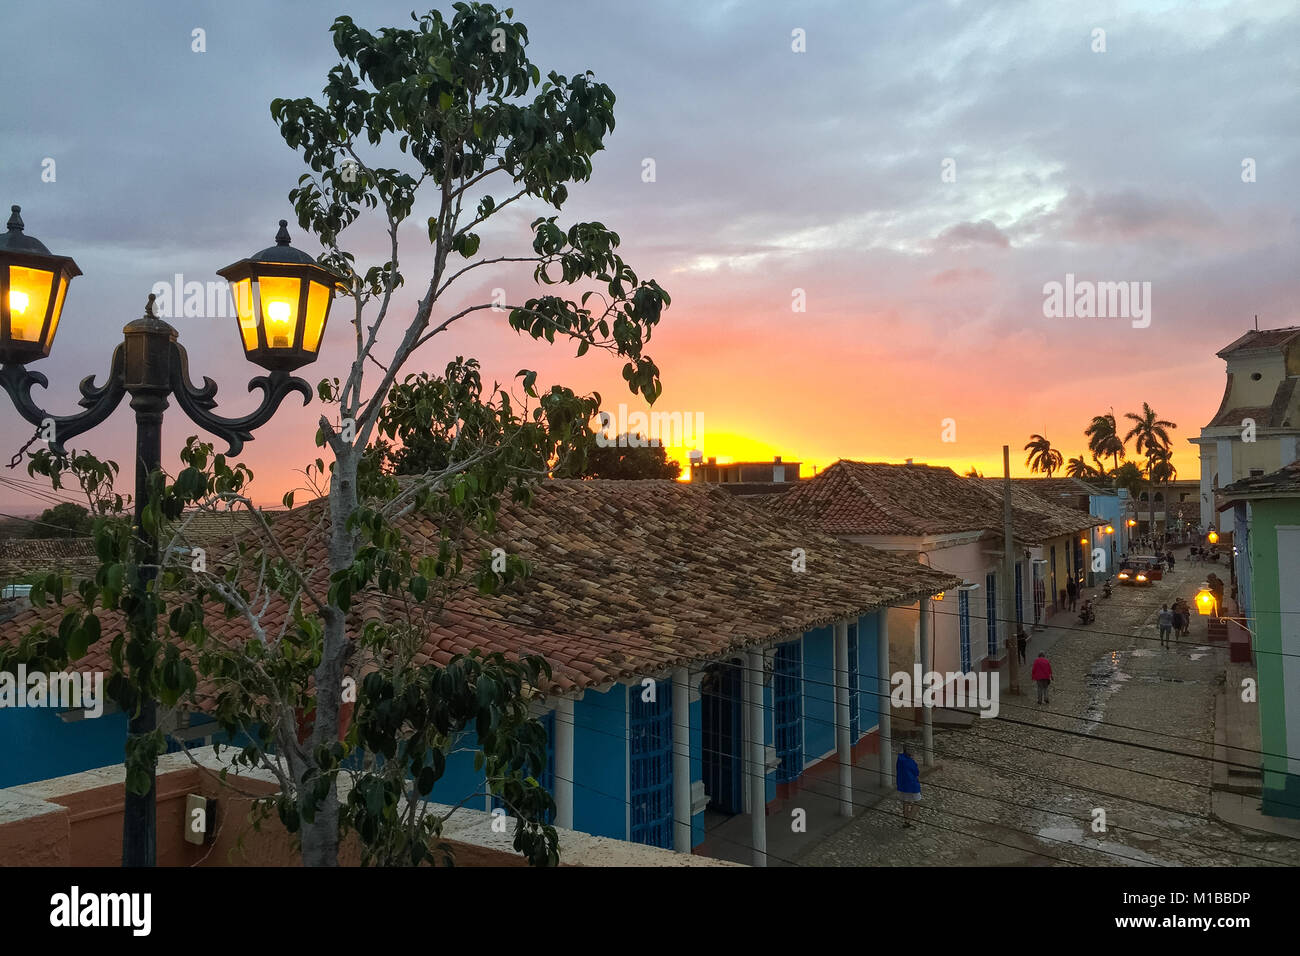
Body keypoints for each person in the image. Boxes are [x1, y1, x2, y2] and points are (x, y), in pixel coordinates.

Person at [896, 746, 921, 828]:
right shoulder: (911, 762)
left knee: (906, 803)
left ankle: (906, 821)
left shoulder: (900, 759)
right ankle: (908, 821)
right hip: (912, 785)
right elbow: (916, 773)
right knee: (917, 803)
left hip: (902, 784)